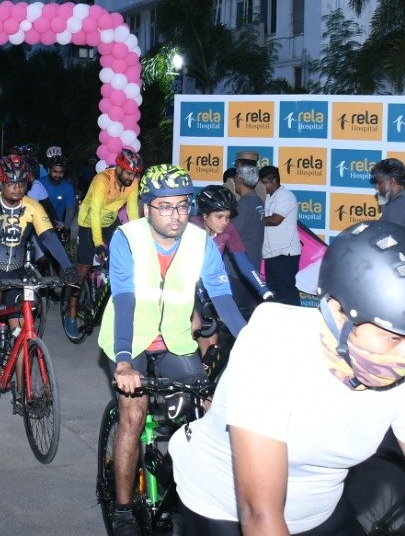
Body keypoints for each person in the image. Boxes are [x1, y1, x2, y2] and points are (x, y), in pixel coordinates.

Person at [170, 221, 405, 536]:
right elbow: (260, 514)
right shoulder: (272, 343)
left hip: (318, 509)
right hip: (223, 505)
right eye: (393, 338)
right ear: (338, 312)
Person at [101, 164, 247, 536]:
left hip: (176, 339)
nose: (175, 215)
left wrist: (251, 340)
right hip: (129, 339)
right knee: (133, 417)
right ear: (147, 208)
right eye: (164, 207)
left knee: (204, 414)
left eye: (182, 206)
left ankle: (196, 493)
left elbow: (222, 296)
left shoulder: (201, 242)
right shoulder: (127, 238)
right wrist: (121, 361)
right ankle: (121, 508)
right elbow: (125, 297)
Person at [0, 156, 77, 373]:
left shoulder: (32, 206)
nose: (17, 188)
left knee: (21, 332)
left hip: (16, 269)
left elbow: (48, 237)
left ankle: (21, 396)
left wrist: (68, 266)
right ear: (1, 182)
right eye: (11, 183)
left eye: (22, 183)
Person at [65, 148, 143, 335]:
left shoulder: (132, 183)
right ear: (118, 168)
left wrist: (139, 239)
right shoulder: (102, 180)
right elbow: (95, 214)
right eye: (129, 173)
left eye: (135, 174)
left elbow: (132, 212)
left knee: (123, 260)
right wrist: (98, 243)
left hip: (110, 221)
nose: (131, 178)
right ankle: (71, 313)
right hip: (89, 222)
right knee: (82, 269)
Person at [192, 184, 272, 322]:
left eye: (228, 217)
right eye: (219, 217)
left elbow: (244, 264)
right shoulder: (191, 228)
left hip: (210, 285)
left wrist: (265, 291)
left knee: (214, 338)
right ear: (205, 215)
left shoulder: (228, 229)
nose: (224, 222)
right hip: (187, 286)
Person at [260, 165, 301, 305]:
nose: (264, 186)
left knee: (287, 292)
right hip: (272, 253)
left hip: (285, 253)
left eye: (265, 183)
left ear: (274, 180)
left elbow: (276, 220)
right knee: (274, 293)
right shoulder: (268, 196)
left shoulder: (285, 195)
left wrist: (256, 220)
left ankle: (296, 324)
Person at [371, 157, 405, 236]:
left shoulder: (395, 209)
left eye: (379, 182)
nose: (377, 187)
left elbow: (384, 243)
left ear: (392, 181)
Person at [231, 164, 265, 268]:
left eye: (235, 177)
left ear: (240, 180)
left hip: (240, 267)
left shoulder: (242, 205)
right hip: (254, 262)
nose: (234, 180)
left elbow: (231, 234)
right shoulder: (259, 201)